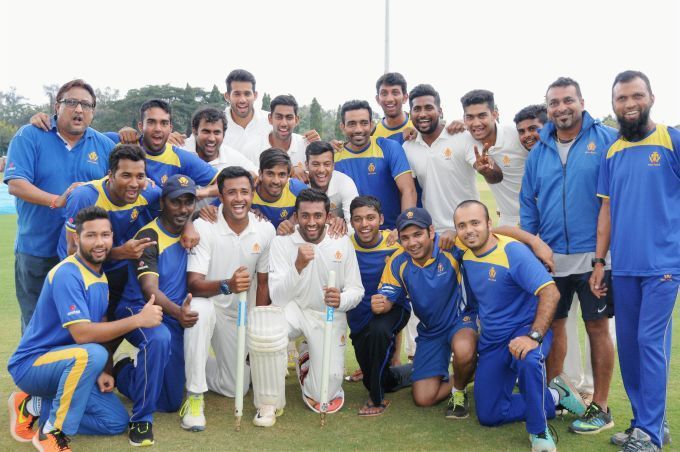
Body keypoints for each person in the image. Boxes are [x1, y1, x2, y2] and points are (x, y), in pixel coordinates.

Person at [7, 206, 163, 450]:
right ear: (76, 238)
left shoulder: (100, 276)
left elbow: (99, 324)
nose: (99, 242)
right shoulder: (68, 273)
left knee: (114, 421)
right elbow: (83, 334)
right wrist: (138, 320)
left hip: (73, 363)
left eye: (105, 235)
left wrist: (102, 371)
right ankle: (51, 433)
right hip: (32, 365)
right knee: (94, 353)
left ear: (112, 237)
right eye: (91, 235)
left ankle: (31, 406)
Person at [520, 76, 617, 435]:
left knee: (596, 327)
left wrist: (604, 257)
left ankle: (602, 407)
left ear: (581, 102)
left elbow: (615, 197)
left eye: (567, 101)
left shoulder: (605, 139)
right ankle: (556, 393)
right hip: (552, 257)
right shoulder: (540, 149)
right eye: (554, 103)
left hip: (595, 256)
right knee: (554, 326)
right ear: (548, 109)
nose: (561, 108)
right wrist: (534, 246)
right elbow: (528, 202)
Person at [454, 200, 585, 452]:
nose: (469, 230)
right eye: (461, 225)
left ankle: (539, 431)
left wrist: (533, 337)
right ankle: (556, 396)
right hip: (492, 341)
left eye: (475, 223)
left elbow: (551, 293)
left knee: (528, 357)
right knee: (489, 415)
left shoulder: (514, 253)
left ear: (489, 224)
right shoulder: (464, 246)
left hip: (524, 330)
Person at [593, 70, 678, 451]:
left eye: (636, 96)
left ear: (651, 98)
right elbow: (606, 212)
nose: (629, 104)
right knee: (628, 346)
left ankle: (652, 433)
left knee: (649, 342)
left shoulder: (672, 141)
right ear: (613, 105)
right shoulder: (612, 151)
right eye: (621, 99)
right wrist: (599, 262)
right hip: (623, 268)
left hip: (663, 266)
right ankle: (644, 424)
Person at [4, 79, 113, 331]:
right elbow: (16, 184)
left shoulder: (104, 145)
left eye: (86, 105)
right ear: (57, 106)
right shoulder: (29, 135)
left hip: (83, 254)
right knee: (36, 326)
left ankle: (80, 371)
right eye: (71, 102)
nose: (78, 109)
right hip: (37, 250)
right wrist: (57, 200)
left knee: (82, 324)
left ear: (93, 112)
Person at [181, 167, 276, 431]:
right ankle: (195, 397)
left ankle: (185, 364)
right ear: (220, 197)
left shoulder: (266, 230)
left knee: (235, 387)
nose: (238, 198)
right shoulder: (204, 225)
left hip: (240, 314)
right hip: (210, 302)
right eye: (231, 192)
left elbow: (263, 282)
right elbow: (194, 285)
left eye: (244, 192)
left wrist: (256, 325)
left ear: (253, 195)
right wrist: (228, 285)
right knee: (198, 310)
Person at [113, 175, 198, 446]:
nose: (183, 209)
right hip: (137, 308)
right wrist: (180, 314)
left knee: (171, 402)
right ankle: (141, 419)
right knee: (158, 338)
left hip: (170, 315)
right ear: (163, 202)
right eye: (176, 202)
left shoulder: (192, 229)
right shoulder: (149, 235)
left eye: (188, 202)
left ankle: (127, 373)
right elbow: (150, 289)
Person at [268, 188, 364, 414]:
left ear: (328, 217)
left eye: (318, 216)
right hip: (294, 309)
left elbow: (357, 290)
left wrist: (340, 299)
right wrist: (297, 266)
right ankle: (268, 399)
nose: (311, 222)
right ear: (296, 216)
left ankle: (307, 358)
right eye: (305, 216)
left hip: (327, 314)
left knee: (325, 393)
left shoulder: (341, 242)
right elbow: (278, 298)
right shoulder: (281, 242)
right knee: (269, 333)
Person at [376, 207, 478, 419]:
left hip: (461, 321)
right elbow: (386, 299)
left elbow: (489, 235)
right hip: (431, 331)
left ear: (431, 231)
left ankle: (459, 393)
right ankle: (473, 371)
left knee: (463, 348)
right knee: (423, 398)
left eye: (418, 234)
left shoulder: (449, 247)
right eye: (405, 238)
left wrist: (455, 232)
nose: (412, 243)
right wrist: (381, 303)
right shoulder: (398, 261)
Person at [58, 145, 162, 319]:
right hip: (80, 273)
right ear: (111, 175)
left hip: (115, 272)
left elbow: (176, 204)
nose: (134, 184)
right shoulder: (85, 197)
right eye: (126, 175)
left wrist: (189, 226)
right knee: (86, 334)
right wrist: (120, 253)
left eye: (140, 176)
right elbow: (72, 251)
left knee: (110, 332)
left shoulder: (149, 193)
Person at [349, 195, 411, 416]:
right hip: (360, 316)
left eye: (370, 218)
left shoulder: (394, 243)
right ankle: (415, 371)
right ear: (351, 221)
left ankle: (377, 401)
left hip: (395, 309)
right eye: (358, 219)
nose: (365, 225)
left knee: (379, 332)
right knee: (379, 377)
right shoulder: (345, 244)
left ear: (381, 218)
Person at [402, 84, 481, 233]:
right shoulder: (408, 146)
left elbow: (488, 171)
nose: (422, 114)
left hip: (468, 228)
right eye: (417, 109)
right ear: (410, 113)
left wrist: (487, 169)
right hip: (434, 231)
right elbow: (409, 190)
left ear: (440, 111)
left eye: (428, 108)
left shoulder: (462, 136)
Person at [335, 100, 416, 229]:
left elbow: (408, 190)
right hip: (352, 237)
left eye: (364, 123)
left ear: (372, 125)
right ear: (342, 127)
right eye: (351, 124)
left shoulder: (389, 147)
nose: (358, 129)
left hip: (391, 234)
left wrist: (405, 226)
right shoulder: (334, 157)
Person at [460, 89, 525, 226]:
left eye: (482, 115)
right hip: (508, 220)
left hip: (539, 217)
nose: (476, 123)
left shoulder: (516, 134)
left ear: (494, 114)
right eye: (470, 117)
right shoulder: (469, 141)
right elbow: (495, 177)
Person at [187, 106, 257, 209]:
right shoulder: (181, 151)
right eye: (206, 131)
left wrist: (207, 192)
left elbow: (255, 175)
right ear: (195, 131)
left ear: (224, 134)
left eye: (217, 132)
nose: (211, 138)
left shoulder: (232, 156)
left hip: (214, 221)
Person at [240, 94, 320, 177]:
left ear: (296, 120)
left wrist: (320, 148)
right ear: (270, 119)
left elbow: (320, 174)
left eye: (289, 118)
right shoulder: (251, 150)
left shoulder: (306, 145)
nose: (283, 123)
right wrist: (290, 172)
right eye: (279, 117)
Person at [252, 148, 308, 232]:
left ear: (288, 176)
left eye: (282, 175)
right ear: (260, 174)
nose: (276, 181)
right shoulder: (247, 191)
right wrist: (247, 213)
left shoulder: (298, 190)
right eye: (270, 174)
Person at [305, 141, 358, 223]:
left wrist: (342, 228)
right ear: (307, 165)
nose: (321, 170)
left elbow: (354, 222)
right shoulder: (299, 185)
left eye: (326, 164)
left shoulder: (345, 182)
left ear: (333, 165)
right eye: (315, 164)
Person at [372, 72, 413, 144]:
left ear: (405, 98)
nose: (389, 99)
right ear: (378, 99)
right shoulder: (373, 135)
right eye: (384, 93)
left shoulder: (418, 126)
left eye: (395, 93)